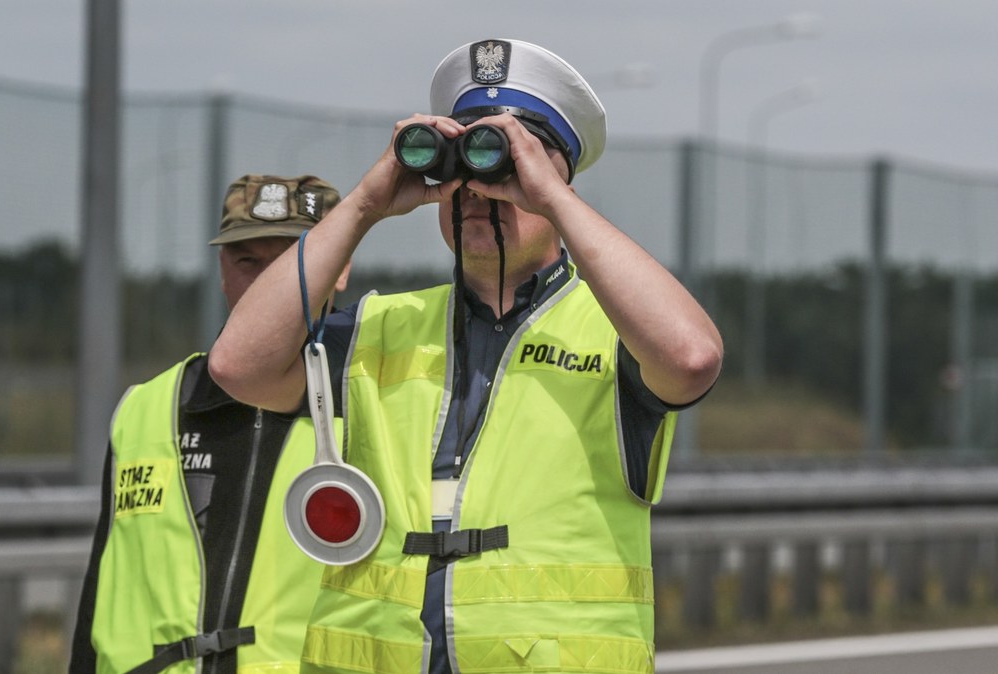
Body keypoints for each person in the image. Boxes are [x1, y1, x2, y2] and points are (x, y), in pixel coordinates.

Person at [209, 39, 723, 674]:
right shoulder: (381, 325)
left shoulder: (615, 334)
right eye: (467, 166)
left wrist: (553, 199)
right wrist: (364, 207)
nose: (481, 189)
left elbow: (693, 357)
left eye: (506, 163)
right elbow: (238, 367)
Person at [69, 174, 350, 674]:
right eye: (248, 262)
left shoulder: (375, 400)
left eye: (291, 261)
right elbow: (101, 593)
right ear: (222, 271)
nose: (267, 280)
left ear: (341, 268)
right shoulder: (147, 407)